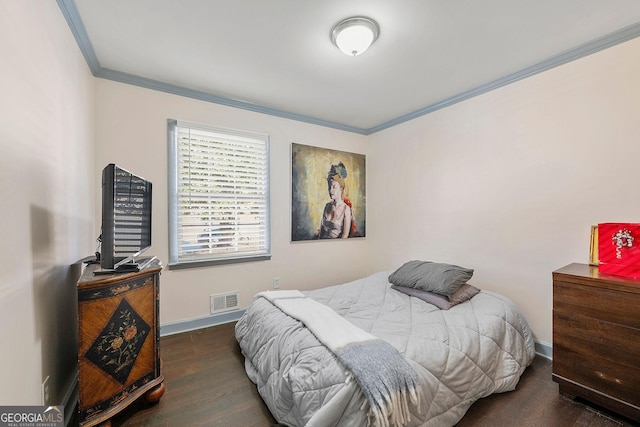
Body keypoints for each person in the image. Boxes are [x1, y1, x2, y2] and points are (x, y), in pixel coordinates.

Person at [317, 162, 356, 239]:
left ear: (341, 188)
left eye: (334, 187)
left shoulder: (346, 209)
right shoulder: (327, 206)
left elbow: (345, 236)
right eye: (329, 187)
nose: (331, 190)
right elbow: (321, 233)